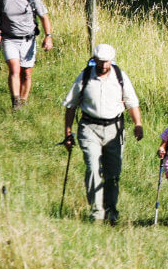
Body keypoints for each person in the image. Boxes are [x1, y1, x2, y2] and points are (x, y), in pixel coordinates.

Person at [62, 44, 144, 224]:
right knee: (92, 168)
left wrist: (138, 124)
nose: (103, 66)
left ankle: (111, 209)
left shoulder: (120, 77)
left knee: (113, 173)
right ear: (95, 60)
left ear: (111, 61)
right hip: (89, 127)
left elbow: (132, 102)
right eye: (100, 62)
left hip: (114, 128)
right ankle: (97, 212)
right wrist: (68, 132)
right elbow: (71, 105)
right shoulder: (85, 76)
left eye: (106, 62)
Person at [0, 0, 52, 110]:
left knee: (26, 73)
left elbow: (44, 16)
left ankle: (23, 101)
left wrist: (48, 36)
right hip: (9, 39)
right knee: (14, 69)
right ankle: (15, 101)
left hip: (28, 39)